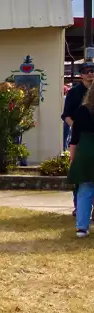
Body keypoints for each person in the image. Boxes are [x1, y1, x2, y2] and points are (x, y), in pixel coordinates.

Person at [63, 62, 94, 215]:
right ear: (81, 74)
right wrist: (77, 127)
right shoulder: (74, 92)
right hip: (80, 135)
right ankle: (78, 206)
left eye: (92, 71)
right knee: (80, 171)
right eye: (86, 71)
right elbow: (66, 115)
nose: (90, 74)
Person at [68, 84, 94, 237]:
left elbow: (74, 138)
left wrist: (73, 158)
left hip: (85, 151)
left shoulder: (82, 111)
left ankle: (82, 227)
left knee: (85, 188)